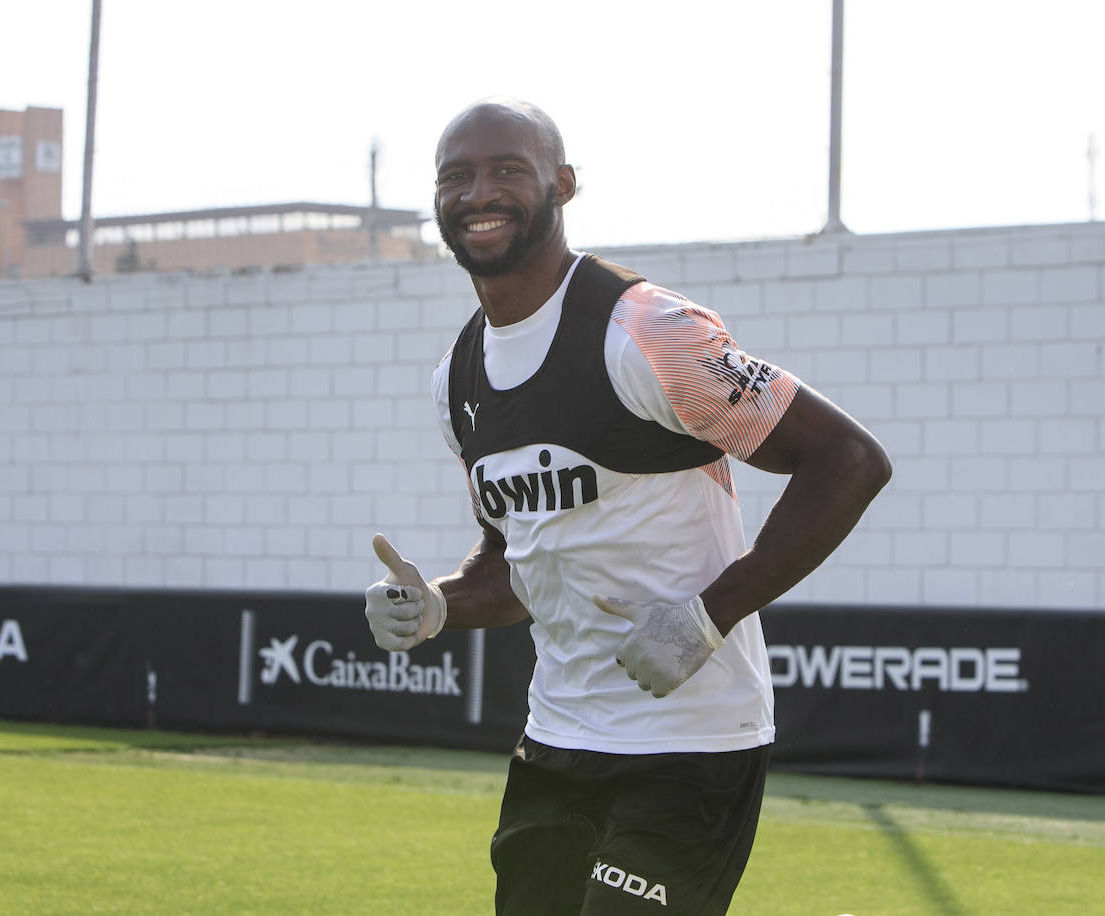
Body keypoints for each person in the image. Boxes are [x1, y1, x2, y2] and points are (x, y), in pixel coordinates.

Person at [362, 97, 891, 915]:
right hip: (557, 743)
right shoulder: (455, 377)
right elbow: (514, 565)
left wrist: (706, 618)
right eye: (456, 176)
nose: (479, 193)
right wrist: (436, 605)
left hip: (691, 742)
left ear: (562, 185)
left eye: (508, 169)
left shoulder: (645, 331)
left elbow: (848, 462)